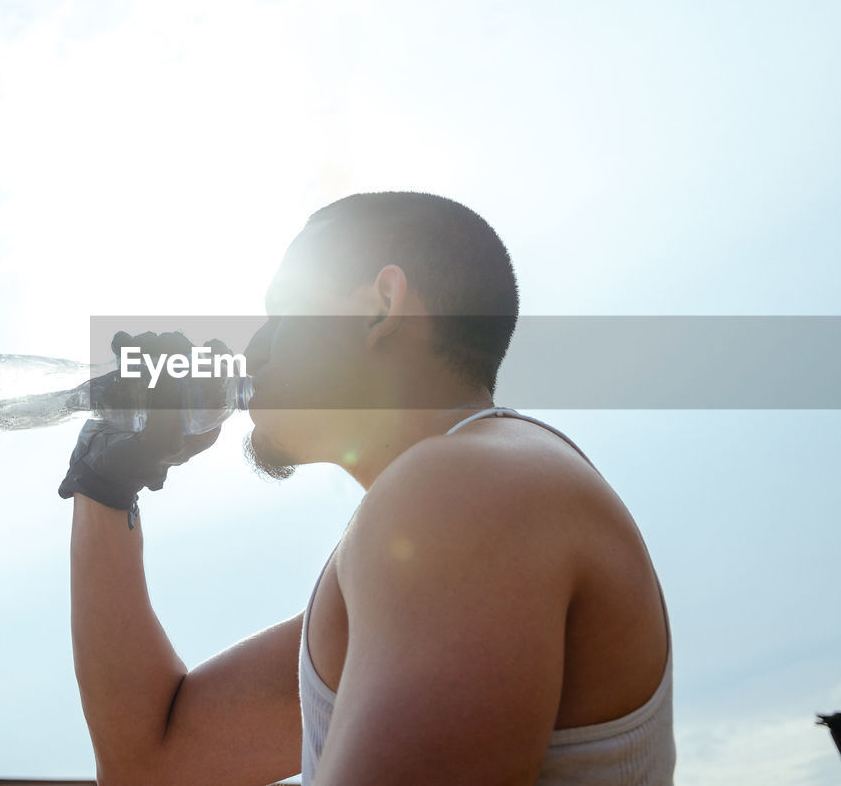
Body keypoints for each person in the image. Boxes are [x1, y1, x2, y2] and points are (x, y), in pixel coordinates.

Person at [59, 192, 674, 785]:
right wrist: (107, 483)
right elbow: (152, 765)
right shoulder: (459, 504)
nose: (255, 348)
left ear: (381, 306)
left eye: (284, 312)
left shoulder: (470, 491)